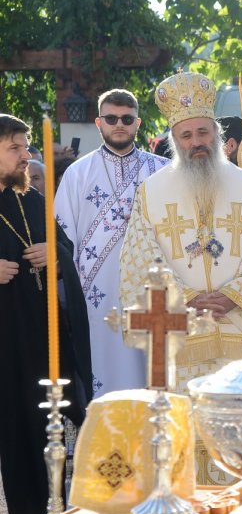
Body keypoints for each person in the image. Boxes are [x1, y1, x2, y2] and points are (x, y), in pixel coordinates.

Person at [119, 73, 242, 483]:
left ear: (216, 132)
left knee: (240, 431)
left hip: (238, 330)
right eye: (187, 134)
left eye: (203, 131)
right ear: (176, 139)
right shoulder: (152, 191)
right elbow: (139, 260)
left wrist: (233, 295)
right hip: (183, 329)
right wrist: (187, 294)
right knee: (185, 434)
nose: (197, 141)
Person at [0, 114, 93, 514]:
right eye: (15, 148)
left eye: (26, 146)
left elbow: (66, 252)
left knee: (40, 432)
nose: (26, 156)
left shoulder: (32, 200)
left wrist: (53, 255)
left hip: (38, 342)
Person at [55, 89, 169, 394]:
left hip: (153, 291)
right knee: (101, 367)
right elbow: (64, 241)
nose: (119, 124)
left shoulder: (162, 171)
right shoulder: (77, 174)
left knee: (151, 369)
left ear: (138, 123)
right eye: (111, 118)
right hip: (96, 294)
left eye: (127, 118)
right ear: (98, 122)